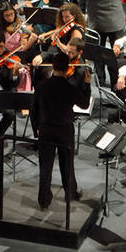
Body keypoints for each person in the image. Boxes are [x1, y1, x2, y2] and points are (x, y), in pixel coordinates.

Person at [32, 52, 92, 208]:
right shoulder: (70, 88)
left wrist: (37, 128)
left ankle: (43, 200)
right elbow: (85, 104)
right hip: (65, 131)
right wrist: (87, 84)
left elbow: (34, 110)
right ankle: (70, 193)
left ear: (53, 66)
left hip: (46, 130)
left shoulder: (41, 86)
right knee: (67, 165)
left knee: (45, 167)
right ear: (67, 68)